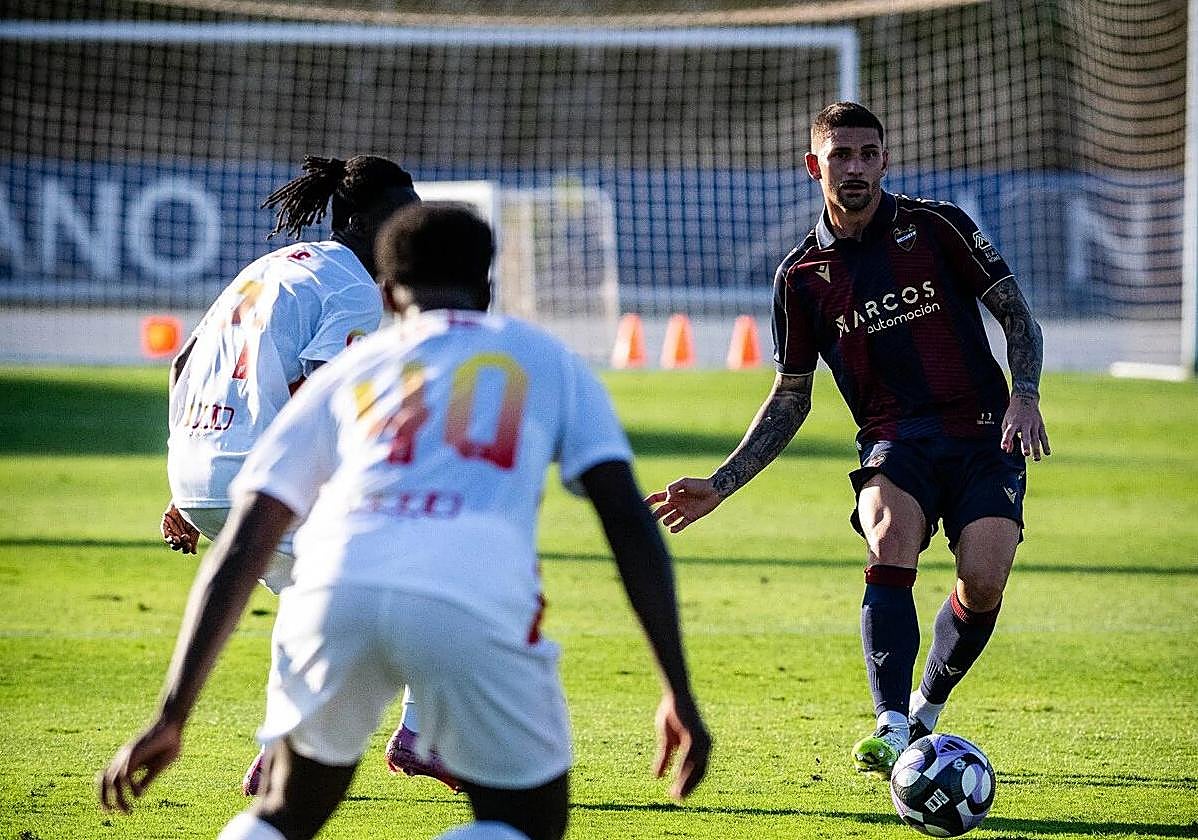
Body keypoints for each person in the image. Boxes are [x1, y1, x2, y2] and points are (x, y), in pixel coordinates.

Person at [100, 203, 711, 840]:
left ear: (387, 293)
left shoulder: (347, 372)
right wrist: (678, 689)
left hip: (334, 592)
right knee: (524, 823)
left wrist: (171, 714)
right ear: (488, 285)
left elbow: (247, 539)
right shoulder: (545, 360)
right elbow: (628, 525)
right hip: (471, 598)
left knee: (284, 812)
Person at [647, 101, 1049, 779]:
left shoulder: (937, 226)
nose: (855, 168)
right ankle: (891, 725)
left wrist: (1026, 395)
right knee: (887, 530)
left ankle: (925, 706)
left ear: (886, 160)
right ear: (815, 166)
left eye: (868, 154)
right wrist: (721, 484)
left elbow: (1016, 316)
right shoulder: (801, 278)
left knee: (982, 579)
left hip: (983, 434)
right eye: (841, 156)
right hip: (895, 441)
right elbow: (790, 396)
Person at [159, 153, 455, 794]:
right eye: (402, 213)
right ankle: (392, 740)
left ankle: (385, 736)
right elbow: (322, 395)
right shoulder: (351, 288)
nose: (411, 225)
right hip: (260, 476)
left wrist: (185, 486)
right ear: (361, 220)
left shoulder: (266, 269)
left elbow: (182, 362)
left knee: (327, 594)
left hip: (201, 474)